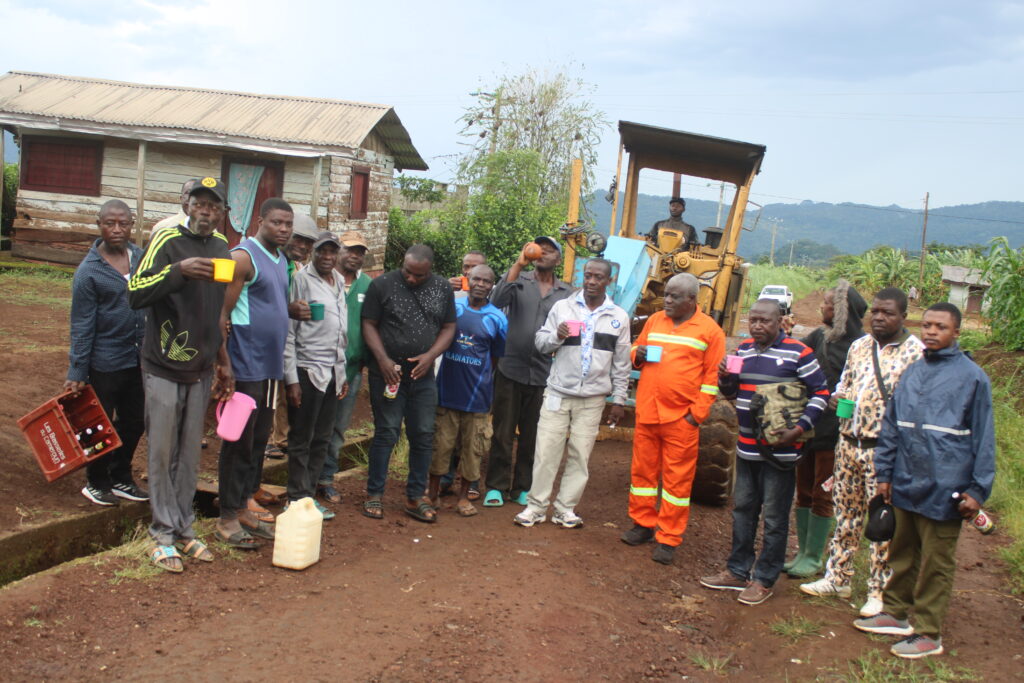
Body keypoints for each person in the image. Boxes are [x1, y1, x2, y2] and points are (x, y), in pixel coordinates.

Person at [853, 302, 994, 659]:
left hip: (946, 487)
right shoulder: (913, 372)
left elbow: (984, 438)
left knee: (936, 562)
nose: (931, 332)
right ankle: (896, 613)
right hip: (906, 481)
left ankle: (929, 632)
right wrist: (885, 474)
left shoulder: (972, 377)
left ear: (956, 333)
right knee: (902, 553)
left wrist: (977, 489)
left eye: (941, 327)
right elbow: (893, 427)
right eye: (927, 325)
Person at [128, 176, 233, 573]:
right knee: (161, 450)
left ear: (222, 212)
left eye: (214, 206)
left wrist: (222, 358)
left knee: (189, 454)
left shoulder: (223, 249)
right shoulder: (167, 240)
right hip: (163, 364)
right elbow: (135, 291)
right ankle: (162, 534)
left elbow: (216, 312)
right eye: (200, 203)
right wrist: (179, 270)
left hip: (201, 367)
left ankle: (185, 529)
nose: (206, 211)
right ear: (187, 204)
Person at [800, 288, 924, 617]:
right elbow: (846, 383)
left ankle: (878, 590)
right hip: (847, 443)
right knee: (846, 516)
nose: (880, 318)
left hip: (884, 451)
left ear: (903, 317)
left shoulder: (916, 353)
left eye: (889, 313)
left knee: (882, 524)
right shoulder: (860, 346)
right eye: (877, 312)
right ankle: (837, 577)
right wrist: (836, 398)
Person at [699, 299, 828, 605]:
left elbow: (821, 393)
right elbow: (730, 394)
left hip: (780, 453)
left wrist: (798, 430)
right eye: (753, 320)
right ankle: (737, 570)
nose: (756, 326)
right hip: (746, 450)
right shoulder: (742, 351)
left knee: (774, 516)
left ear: (780, 322)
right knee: (743, 510)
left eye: (764, 321)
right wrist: (726, 378)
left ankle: (764, 578)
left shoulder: (799, 353)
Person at [514, 258, 630, 529]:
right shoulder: (562, 307)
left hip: (593, 399)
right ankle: (535, 507)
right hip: (558, 393)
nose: (591, 281)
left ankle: (565, 508)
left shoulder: (618, 317)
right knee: (546, 452)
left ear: (608, 281)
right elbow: (541, 343)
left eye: (598, 277)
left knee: (580, 454)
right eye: (587, 276)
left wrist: (619, 400)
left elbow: (622, 364)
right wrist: (557, 335)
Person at [621, 273, 725, 564]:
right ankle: (642, 524)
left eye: (674, 296)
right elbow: (634, 350)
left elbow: (711, 378)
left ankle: (668, 537)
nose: (666, 300)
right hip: (648, 413)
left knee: (677, 482)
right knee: (642, 475)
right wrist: (636, 353)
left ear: (692, 300)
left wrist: (696, 416)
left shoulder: (710, 332)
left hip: (681, 420)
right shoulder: (654, 321)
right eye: (666, 294)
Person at [215, 198, 293, 548]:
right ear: (260, 221)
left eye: (288, 224)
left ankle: (245, 503)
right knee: (238, 442)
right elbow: (221, 314)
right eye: (277, 222)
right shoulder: (242, 257)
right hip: (245, 364)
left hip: (270, 366)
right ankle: (227, 517)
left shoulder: (282, 259)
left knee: (259, 440)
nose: (284, 229)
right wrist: (224, 363)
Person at [361, 244, 456, 523]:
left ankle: (415, 497)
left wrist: (430, 356)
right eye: (408, 272)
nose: (411, 279)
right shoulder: (383, 285)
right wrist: (382, 360)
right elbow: (368, 323)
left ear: (429, 271)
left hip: (422, 374)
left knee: (424, 434)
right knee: (387, 432)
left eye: (418, 275)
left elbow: (449, 327)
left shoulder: (442, 288)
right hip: (389, 373)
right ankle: (374, 494)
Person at [64, 200, 148, 507]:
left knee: (135, 419)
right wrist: (77, 372)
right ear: (99, 225)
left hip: (138, 359)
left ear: (131, 225)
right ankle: (96, 482)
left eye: (123, 224)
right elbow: (82, 326)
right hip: (105, 361)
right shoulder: (89, 273)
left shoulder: (139, 258)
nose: (117, 229)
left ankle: (121, 476)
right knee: (98, 425)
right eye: (110, 223)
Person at [784, 280, 867, 578]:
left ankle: (815, 557)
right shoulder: (819, 336)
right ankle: (802, 553)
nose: (823, 306)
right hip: (809, 425)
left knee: (823, 492)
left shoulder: (861, 346)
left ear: (843, 310)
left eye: (829, 303)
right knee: (803, 489)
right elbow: (796, 355)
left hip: (836, 431)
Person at [484, 237, 572, 507]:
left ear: (559, 259)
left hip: (544, 375)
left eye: (550, 250)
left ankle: (522, 487)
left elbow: (576, 330)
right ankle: (496, 486)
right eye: (540, 249)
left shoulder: (567, 293)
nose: (543, 253)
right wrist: (518, 263)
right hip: (510, 368)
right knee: (502, 432)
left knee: (533, 435)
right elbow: (496, 300)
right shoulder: (519, 280)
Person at [427, 264, 507, 517]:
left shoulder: (498, 318)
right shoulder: (453, 308)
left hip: (478, 396)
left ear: (492, 286)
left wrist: (479, 377)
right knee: (441, 445)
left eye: (487, 281)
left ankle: (463, 498)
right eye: (477, 279)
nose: (481, 284)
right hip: (446, 391)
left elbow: (495, 357)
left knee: (472, 449)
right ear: (467, 280)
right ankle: (432, 494)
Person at [284, 232, 349, 519]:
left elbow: (341, 334)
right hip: (308, 369)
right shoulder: (301, 280)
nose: (326, 257)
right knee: (301, 438)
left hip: (333, 372)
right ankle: (295, 499)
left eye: (332, 252)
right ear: (313, 252)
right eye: (322, 251)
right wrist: (292, 379)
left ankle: (309, 498)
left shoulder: (338, 282)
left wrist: (343, 372)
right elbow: (289, 332)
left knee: (322, 437)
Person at [316, 230, 373, 503]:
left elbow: (371, 326)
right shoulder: (324, 280)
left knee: (338, 428)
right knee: (313, 426)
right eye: (350, 249)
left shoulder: (367, 286)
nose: (355, 256)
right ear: (339, 250)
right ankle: (305, 479)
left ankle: (326, 479)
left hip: (350, 372)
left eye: (360, 252)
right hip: (317, 368)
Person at [265, 211, 321, 461]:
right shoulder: (268, 260)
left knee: (282, 391)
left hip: (285, 341)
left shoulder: (292, 266)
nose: (304, 246)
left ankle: (279, 438)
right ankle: (270, 440)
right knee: (268, 396)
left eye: (309, 243)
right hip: (263, 343)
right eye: (299, 239)